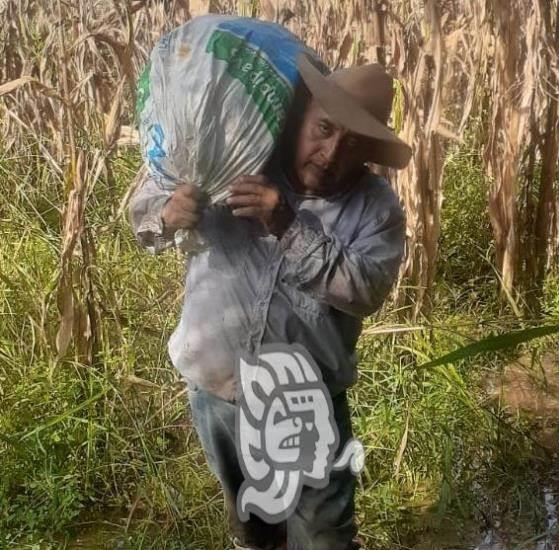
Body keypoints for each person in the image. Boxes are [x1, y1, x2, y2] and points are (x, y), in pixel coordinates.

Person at [128, 54, 411, 550]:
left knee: (325, 538)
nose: (331, 152)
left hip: (305, 404)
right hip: (217, 392)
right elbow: (144, 211)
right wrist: (168, 214)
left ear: (370, 151)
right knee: (254, 526)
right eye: (324, 129)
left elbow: (365, 290)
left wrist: (287, 228)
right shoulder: (232, 155)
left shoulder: (376, 208)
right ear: (300, 115)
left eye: (353, 143)